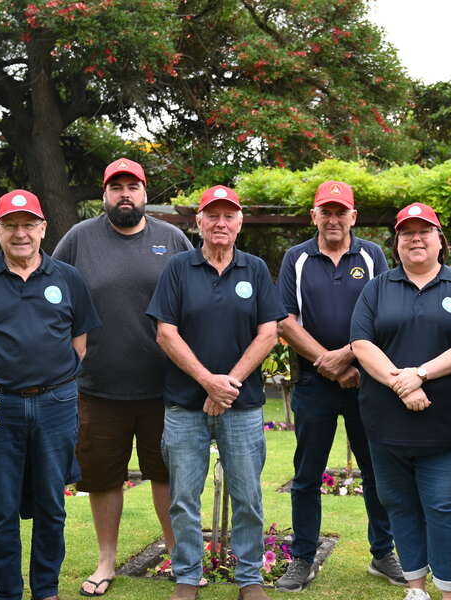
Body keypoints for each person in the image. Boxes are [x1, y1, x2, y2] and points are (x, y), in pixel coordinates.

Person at [53, 158, 193, 597]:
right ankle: (106, 561)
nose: (125, 194)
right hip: (97, 387)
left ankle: (177, 558)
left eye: (133, 187)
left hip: (163, 387)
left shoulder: (172, 238)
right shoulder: (79, 238)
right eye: (117, 188)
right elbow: (52, 291)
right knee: (103, 477)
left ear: (145, 193)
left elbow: (195, 299)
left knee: (167, 475)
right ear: (105, 194)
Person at [0, 190, 101, 600]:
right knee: (1, 509)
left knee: (51, 507)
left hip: (55, 404)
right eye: (11, 225)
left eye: (28, 225)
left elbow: (80, 345)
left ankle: (46, 590)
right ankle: (8, 592)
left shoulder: (68, 278)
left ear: (43, 229)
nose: (20, 233)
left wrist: (47, 382)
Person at [147, 185, 286, 600]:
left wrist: (228, 386)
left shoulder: (255, 269)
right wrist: (208, 381)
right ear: (199, 223)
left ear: (240, 222)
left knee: (247, 496)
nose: (220, 223)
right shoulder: (177, 268)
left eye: (229, 216)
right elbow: (165, 334)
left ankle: (249, 579)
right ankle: (187, 576)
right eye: (213, 216)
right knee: (184, 499)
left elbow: (269, 333)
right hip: (185, 406)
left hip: (241, 407)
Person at [350, 202, 451, 600]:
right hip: (387, 425)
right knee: (398, 504)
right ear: (396, 243)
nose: (416, 238)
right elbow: (361, 343)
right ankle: (415, 588)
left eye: (424, 231)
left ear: (439, 241)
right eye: (407, 232)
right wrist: (403, 384)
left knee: (445, 508)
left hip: (446, 428)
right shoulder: (377, 287)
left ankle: (449, 592)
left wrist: (421, 373)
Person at [275, 181, 404, 592]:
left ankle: (383, 554)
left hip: (365, 381)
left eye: (340, 211)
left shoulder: (371, 255)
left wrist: (348, 356)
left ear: (353, 216)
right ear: (314, 216)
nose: (333, 219)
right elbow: (285, 322)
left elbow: (385, 312)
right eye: (325, 212)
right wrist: (326, 364)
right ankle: (302, 558)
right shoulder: (296, 258)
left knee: (376, 470)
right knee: (307, 473)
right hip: (315, 382)